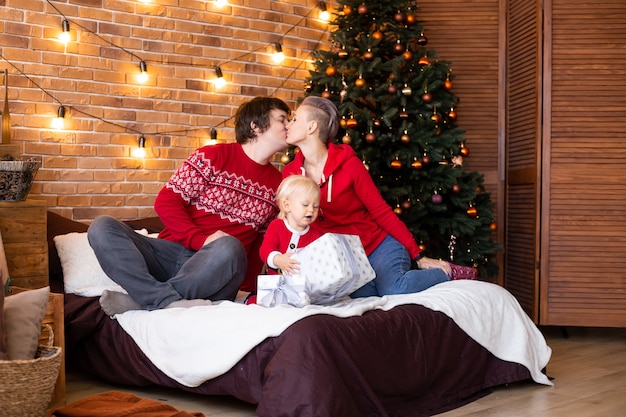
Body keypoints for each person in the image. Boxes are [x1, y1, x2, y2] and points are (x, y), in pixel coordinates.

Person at [88, 96, 291, 315]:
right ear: (256, 126)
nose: (288, 125)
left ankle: (146, 301)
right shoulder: (213, 156)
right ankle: (163, 299)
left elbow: (260, 244)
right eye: (282, 119)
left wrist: (248, 291)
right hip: (170, 255)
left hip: (218, 270)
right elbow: (166, 202)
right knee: (102, 226)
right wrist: (201, 240)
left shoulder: (278, 185)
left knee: (229, 246)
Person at [282, 96, 463, 298]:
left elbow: (381, 211)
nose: (288, 125)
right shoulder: (291, 174)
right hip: (348, 261)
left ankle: (448, 273)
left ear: (311, 127)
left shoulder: (349, 165)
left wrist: (418, 256)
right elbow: (290, 225)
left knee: (394, 289)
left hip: (378, 246)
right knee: (364, 299)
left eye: (295, 119)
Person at [259, 175, 323, 276]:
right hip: (275, 284)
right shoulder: (277, 226)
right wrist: (277, 259)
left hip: (302, 286)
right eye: (305, 205)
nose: (311, 210)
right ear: (287, 205)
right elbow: (265, 250)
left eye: (315, 206)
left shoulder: (316, 236)